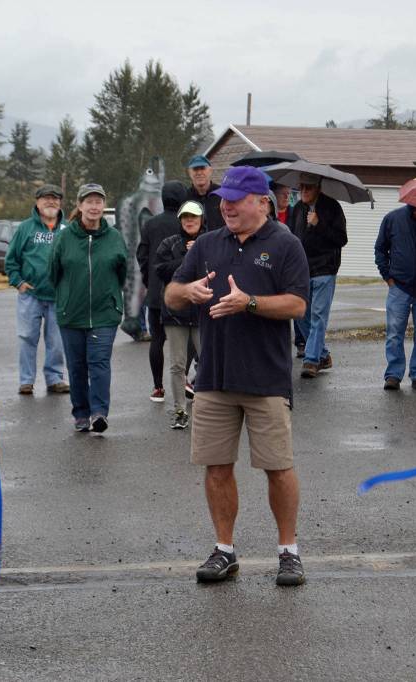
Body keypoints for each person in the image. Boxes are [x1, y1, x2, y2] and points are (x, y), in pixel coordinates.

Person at [164, 165, 310, 586]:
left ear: (261, 202)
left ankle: (288, 552)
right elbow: (171, 292)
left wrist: (249, 303)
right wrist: (186, 293)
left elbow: (298, 305)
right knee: (216, 467)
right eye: (224, 199)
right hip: (213, 377)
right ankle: (224, 550)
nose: (225, 205)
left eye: (235, 199)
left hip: (266, 378)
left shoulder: (286, 245)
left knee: (278, 468)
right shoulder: (208, 243)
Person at [49, 183, 127, 433]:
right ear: (80, 205)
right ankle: (81, 413)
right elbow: (53, 273)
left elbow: (122, 273)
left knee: (99, 362)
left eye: (99, 201)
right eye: (89, 201)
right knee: (77, 366)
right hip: (71, 314)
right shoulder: (64, 237)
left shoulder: (114, 237)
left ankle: (99, 413)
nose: (94, 206)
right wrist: (66, 296)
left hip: (105, 314)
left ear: (104, 206)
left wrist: (112, 298)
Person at [5, 184, 69, 396]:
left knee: (57, 341)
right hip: (30, 295)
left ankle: (54, 378)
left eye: (55, 199)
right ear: (37, 202)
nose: (51, 202)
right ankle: (26, 381)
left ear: (60, 203)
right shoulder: (25, 228)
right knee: (27, 338)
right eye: (46, 199)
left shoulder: (67, 229)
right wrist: (18, 282)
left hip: (58, 295)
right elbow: (11, 259)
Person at [373, 203, 416, 390]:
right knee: (394, 333)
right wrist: (387, 277)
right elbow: (380, 249)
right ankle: (393, 374)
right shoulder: (392, 219)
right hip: (399, 286)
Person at [290, 174, 348, 379]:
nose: (304, 190)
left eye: (309, 187)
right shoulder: (297, 209)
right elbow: (290, 239)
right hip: (301, 272)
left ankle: (311, 360)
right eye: (302, 187)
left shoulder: (332, 208)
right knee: (300, 315)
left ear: (319, 188)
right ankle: (323, 355)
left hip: (325, 270)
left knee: (318, 317)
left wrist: (319, 224)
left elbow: (342, 239)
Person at [155, 200, 207, 429]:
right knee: (177, 364)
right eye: (185, 217)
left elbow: (217, 269)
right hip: (175, 313)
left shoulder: (211, 241)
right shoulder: (169, 243)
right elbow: (161, 270)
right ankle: (179, 411)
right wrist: (186, 257)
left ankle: (207, 408)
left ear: (201, 219)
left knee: (207, 361)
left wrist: (196, 253)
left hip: (202, 311)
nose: (189, 221)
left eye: (193, 217)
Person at [137, 180, 188, 403]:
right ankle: (184, 379)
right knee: (188, 338)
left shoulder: (150, 224)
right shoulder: (187, 222)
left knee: (157, 339)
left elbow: (142, 256)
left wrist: (150, 281)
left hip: (156, 291)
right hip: (183, 290)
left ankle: (158, 387)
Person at [185, 154, 224, 232]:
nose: (199, 173)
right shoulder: (185, 197)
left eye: (202, 168)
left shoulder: (221, 194)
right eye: (195, 169)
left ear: (210, 171)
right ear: (189, 172)